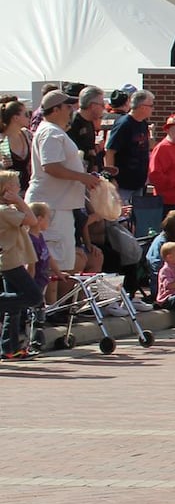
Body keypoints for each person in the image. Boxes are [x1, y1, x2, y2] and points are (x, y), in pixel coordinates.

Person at [24, 90, 97, 274]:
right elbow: (51, 166)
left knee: (62, 263)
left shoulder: (53, 131)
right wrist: (83, 177)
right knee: (52, 263)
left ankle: (51, 303)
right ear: (55, 109)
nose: (71, 109)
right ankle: (44, 303)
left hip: (58, 204)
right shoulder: (50, 132)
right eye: (67, 106)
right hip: (51, 206)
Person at [0, 170, 43, 360]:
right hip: (10, 261)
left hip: (13, 258)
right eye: (16, 185)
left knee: (14, 308)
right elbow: (33, 221)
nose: (19, 188)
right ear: (7, 189)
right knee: (33, 296)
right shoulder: (5, 210)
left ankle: (9, 348)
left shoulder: (8, 209)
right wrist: (19, 201)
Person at [103, 90, 154, 206]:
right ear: (142, 107)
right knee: (121, 218)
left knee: (135, 218)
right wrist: (111, 177)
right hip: (123, 183)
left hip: (138, 182)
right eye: (151, 105)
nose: (153, 109)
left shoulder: (143, 123)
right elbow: (110, 151)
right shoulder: (124, 124)